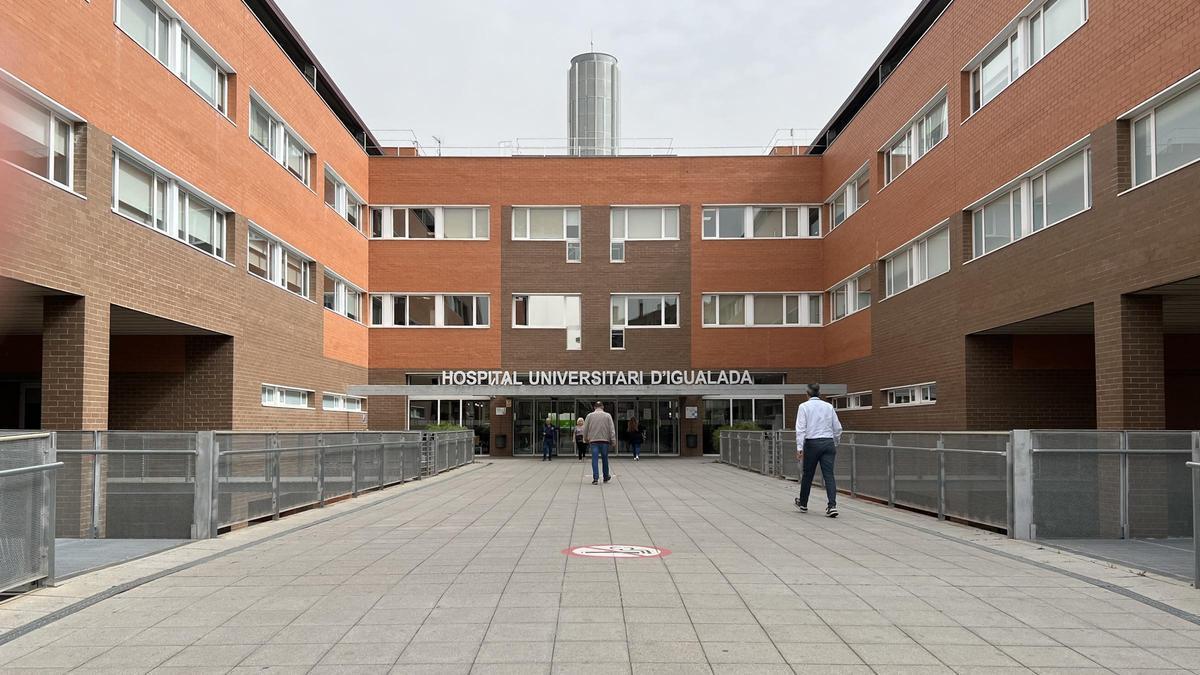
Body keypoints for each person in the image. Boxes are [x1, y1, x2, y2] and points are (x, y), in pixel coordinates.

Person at [795, 383, 842, 518]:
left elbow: (801, 428)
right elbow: (837, 427)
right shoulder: (829, 406)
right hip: (828, 442)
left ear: (807, 393)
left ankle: (803, 503)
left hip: (812, 443)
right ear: (819, 393)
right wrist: (835, 441)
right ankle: (832, 505)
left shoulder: (803, 407)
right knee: (829, 475)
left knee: (808, 474)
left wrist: (799, 447)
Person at [582, 401, 616, 485]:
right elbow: (612, 429)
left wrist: (585, 438)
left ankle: (595, 478)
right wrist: (613, 440)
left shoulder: (589, 416)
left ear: (594, 407)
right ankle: (605, 476)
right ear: (602, 407)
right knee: (605, 459)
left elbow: (585, 428)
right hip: (605, 440)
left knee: (594, 459)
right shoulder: (608, 416)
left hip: (593, 441)